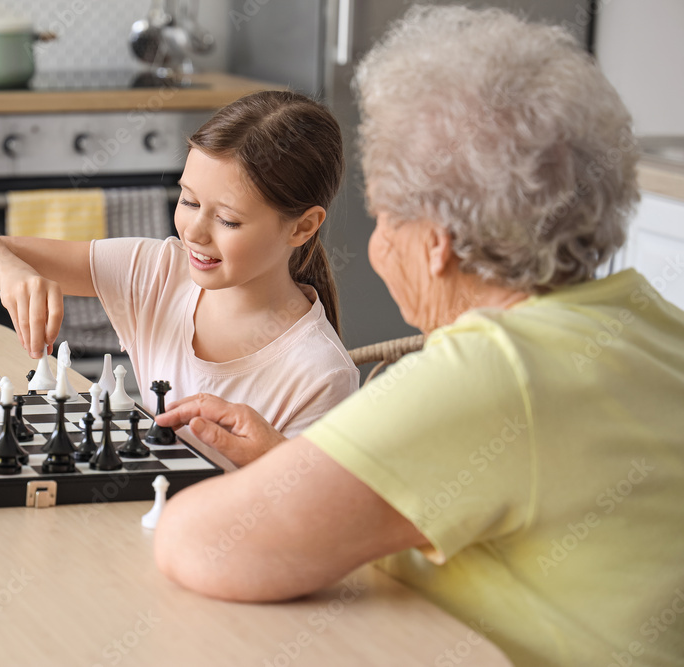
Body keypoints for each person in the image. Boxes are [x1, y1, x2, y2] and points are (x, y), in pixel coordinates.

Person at [151, 7, 684, 667]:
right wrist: (292, 465)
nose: (376, 246)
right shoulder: (653, 324)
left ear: (436, 244)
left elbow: (196, 541)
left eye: (383, 219)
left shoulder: (497, 367)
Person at [0, 90, 358, 436]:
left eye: (228, 219)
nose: (193, 231)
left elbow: (307, 522)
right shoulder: (156, 273)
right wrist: (13, 275)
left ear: (302, 227)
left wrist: (270, 461)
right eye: (189, 200)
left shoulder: (321, 376)